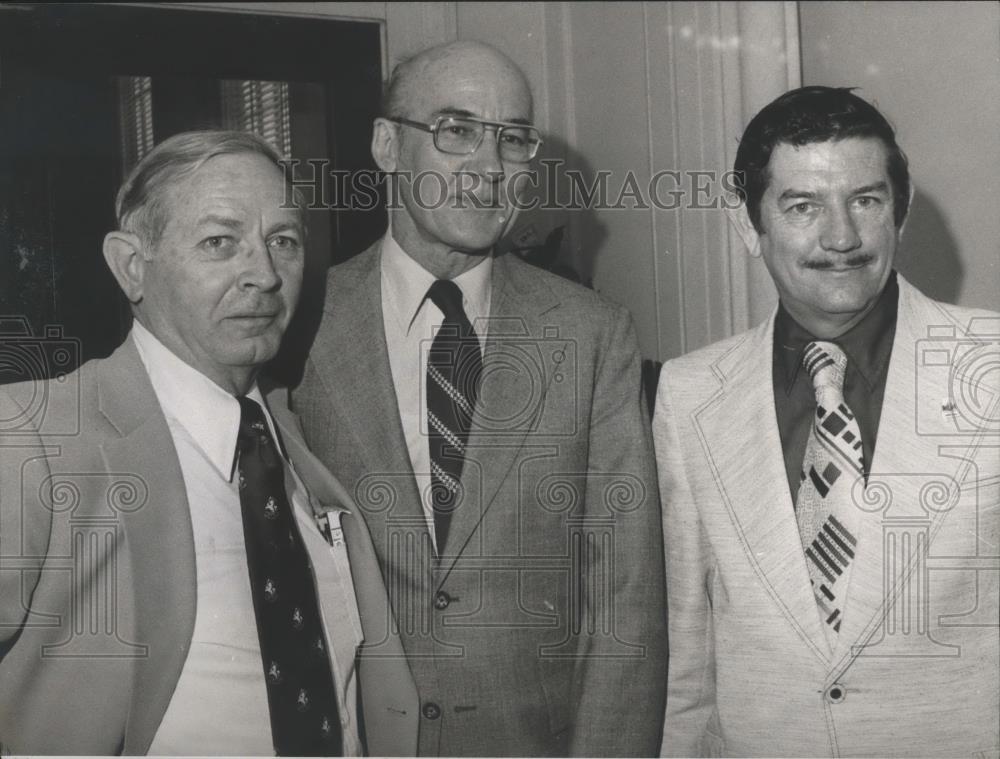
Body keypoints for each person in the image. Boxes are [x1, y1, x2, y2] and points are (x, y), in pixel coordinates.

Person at [292, 41, 666, 756]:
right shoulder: (301, 323)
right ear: (385, 144)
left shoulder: (592, 334)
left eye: (513, 140)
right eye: (456, 130)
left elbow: (625, 599)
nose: (489, 169)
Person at [0, 130, 417, 755]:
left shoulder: (297, 435)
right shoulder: (35, 434)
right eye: (220, 242)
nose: (266, 275)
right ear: (131, 266)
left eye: (283, 241)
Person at [655, 86, 999, 757]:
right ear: (746, 225)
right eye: (803, 205)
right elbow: (689, 660)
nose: (842, 237)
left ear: (899, 213)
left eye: (865, 200)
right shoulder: (689, 393)